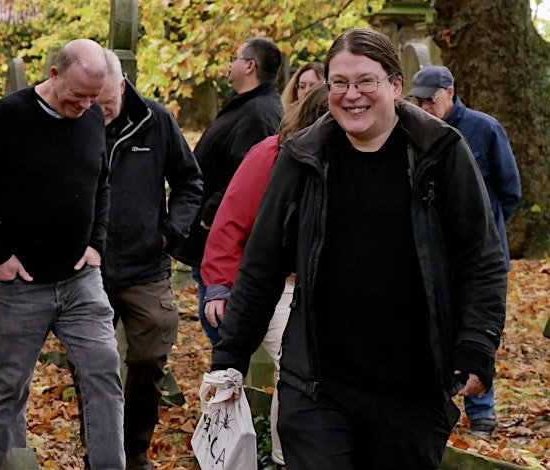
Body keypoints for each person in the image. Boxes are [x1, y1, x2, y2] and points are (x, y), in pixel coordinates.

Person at [209, 28, 508, 468]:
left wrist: (477, 344)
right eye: (340, 83)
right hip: (318, 386)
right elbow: (263, 263)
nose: (352, 95)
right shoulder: (303, 157)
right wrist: (229, 357)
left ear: (395, 85)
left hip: (412, 387)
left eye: (366, 81)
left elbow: (481, 259)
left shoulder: (440, 153)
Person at [0, 39, 124, 470]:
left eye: (94, 97)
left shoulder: (91, 119)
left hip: (79, 279)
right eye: (78, 95)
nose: (86, 105)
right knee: (10, 388)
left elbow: (101, 184)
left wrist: (97, 244)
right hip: (20, 284)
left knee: (105, 370)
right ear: (54, 75)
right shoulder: (8, 116)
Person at [201, 85, 329, 468]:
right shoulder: (272, 155)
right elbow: (231, 223)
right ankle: (284, 456)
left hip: (322, 287)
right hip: (277, 285)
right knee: (295, 367)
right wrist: (219, 286)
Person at [94, 49, 202, 469]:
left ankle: (135, 449)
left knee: (151, 352)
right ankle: (101, 452)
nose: (98, 113)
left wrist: (170, 233)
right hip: (88, 266)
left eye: (105, 104)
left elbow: (190, 181)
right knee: (94, 367)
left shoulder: (156, 121)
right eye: (90, 103)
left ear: (122, 86)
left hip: (145, 264)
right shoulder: (75, 116)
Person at [408, 65, 522, 437]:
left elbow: (509, 189)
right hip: (433, 251)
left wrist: (484, 225)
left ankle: (481, 409)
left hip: (479, 251)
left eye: (431, 99)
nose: (424, 106)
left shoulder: (484, 129)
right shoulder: (412, 133)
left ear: (450, 92)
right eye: (419, 99)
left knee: (475, 325)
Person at [172, 37, 284, 345]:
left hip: (222, 242)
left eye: (235, 59)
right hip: (211, 239)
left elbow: (250, 177)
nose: (230, 65)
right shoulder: (248, 107)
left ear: (250, 65)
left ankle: (232, 388)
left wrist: (213, 210)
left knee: (225, 331)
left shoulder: (258, 115)